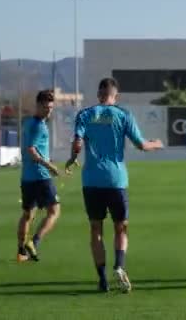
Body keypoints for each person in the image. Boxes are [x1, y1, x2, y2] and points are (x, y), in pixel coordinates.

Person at [65, 78, 163, 292]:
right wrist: (157, 143)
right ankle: (119, 266)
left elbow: (77, 143)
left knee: (96, 229)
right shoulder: (123, 114)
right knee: (121, 228)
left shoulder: (85, 114)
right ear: (115, 95)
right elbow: (141, 145)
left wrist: (72, 159)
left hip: (91, 180)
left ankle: (102, 279)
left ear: (99, 94)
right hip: (116, 180)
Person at [17, 90, 60, 262]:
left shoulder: (28, 122)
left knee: (28, 214)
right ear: (38, 105)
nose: (49, 111)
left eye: (51, 108)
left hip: (26, 177)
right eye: (46, 107)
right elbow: (31, 150)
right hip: (41, 177)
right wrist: (49, 165)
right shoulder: (38, 125)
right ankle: (34, 242)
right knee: (54, 211)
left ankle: (21, 251)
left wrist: (47, 158)